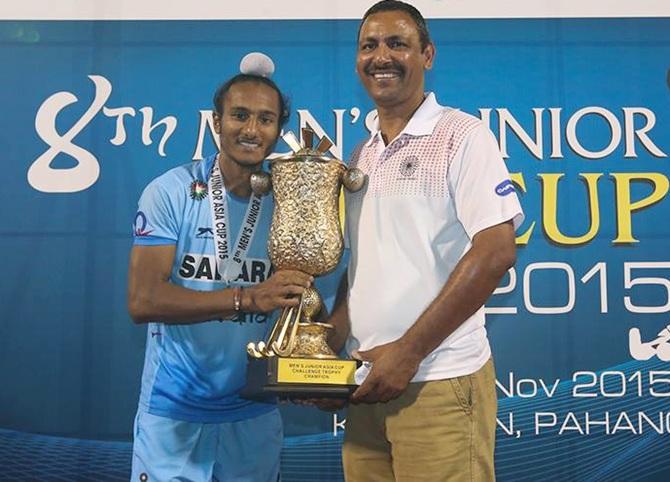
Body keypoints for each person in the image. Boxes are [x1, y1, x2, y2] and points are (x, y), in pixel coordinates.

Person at [325, 1, 525, 480]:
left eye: (398, 43)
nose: (381, 56)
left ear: (427, 55)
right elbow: (363, 269)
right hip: (365, 382)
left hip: (438, 379)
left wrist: (408, 353)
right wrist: (327, 352)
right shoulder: (362, 152)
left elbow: (496, 251)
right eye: (369, 45)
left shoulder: (462, 136)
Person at [127, 60, 312, 481]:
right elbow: (143, 301)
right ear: (217, 121)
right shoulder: (171, 191)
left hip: (255, 411)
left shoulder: (290, 206)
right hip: (174, 412)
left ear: (279, 128)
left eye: (265, 119)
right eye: (239, 115)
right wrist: (246, 299)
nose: (251, 130)